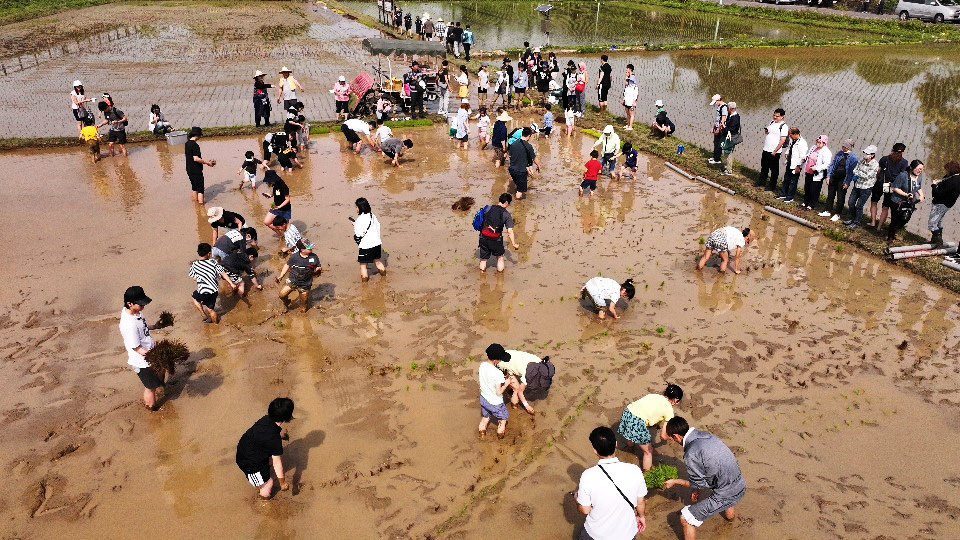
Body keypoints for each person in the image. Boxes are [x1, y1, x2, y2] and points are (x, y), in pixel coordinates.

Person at [663, 417, 746, 540]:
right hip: (740, 484)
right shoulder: (706, 435)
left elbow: (697, 484)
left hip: (726, 493)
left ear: (676, 436)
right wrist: (697, 489)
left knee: (685, 518)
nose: (673, 441)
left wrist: (675, 481)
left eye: (671, 438)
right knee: (723, 487)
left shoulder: (691, 453)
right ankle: (730, 520)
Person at [576, 426, 647, 539]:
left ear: (595, 450)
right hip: (627, 534)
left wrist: (577, 498)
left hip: (597, 534)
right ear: (616, 444)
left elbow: (585, 510)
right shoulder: (634, 470)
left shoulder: (588, 475)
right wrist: (641, 516)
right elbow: (640, 501)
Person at [236, 397, 294, 499]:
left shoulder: (265, 419)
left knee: (266, 463)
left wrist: (281, 435)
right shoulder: (274, 439)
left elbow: (268, 431)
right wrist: (282, 483)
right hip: (249, 464)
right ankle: (264, 498)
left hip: (244, 449)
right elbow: (277, 463)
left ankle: (261, 481)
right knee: (268, 483)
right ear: (287, 417)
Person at [618, 384, 684, 471]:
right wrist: (670, 438)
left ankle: (630, 445)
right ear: (676, 400)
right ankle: (648, 473)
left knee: (634, 429)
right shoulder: (669, 411)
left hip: (627, 412)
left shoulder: (654, 395)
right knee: (648, 452)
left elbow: (648, 409)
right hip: (637, 422)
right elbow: (663, 436)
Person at [119, 286, 164, 411]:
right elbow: (136, 348)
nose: (143, 306)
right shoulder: (129, 324)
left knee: (160, 373)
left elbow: (143, 327)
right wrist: (154, 355)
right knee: (150, 387)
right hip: (142, 361)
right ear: (130, 303)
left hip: (150, 353)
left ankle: (159, 386)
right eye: (140, 304)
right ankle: (151, 408)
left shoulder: (136, 313)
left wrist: (155, 326)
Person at [189, 243, 235, 324]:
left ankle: (203, 314)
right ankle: (216, 324)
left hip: (202, 291)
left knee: (194, 297)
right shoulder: (213, 262)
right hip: (213, 291)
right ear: (209, 254)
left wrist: (201, 278)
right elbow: (223, 273)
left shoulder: (194, 265)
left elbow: (193, 277)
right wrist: (231, 283)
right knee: (211, 309)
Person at [478, 344, 513, 439]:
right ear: (496, 360)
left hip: (484, 398)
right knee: (503, 418)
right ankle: (500, 433)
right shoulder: (497, 373)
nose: (501, 361)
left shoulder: (482, 365)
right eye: (500, 359)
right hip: (495, 402)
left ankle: (482, 432)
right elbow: (499, 392)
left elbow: (487, 379)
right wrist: (506, 383)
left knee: (486, 417)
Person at [478, 193, 520, 273]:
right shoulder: (506, 214)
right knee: (500, 257)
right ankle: (500, 279)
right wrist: (514, 244)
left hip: (483, 237)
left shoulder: (488, 208)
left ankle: (482, 276)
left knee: (483, 259)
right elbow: (510, 231)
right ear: (507, 202)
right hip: (496, 239)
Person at [275, 241, 321, 312]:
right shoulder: (294, 257)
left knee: (304, 304)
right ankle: (287, 302)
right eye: (309, 248)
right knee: (282, 295)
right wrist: (281, 276)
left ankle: (303, 313)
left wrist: (318, 270)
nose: (311, 248)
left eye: (311, 246)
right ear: (302, 250)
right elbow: (287, 265)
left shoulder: (314, 257)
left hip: (305, 283)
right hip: (293, 280)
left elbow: (318, 267)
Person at [872, 143, 909, 230]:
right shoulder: (904, 163)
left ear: (892, 150)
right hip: (891, 186)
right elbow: (902, 176)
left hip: (881, 183)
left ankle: (873, 222)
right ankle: (879, 227)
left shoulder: (885, 159)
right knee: (885, 206)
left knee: (874, 202)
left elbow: (879, 171)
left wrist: (878, 179)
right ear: (902, 152)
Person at [887, 159, 926, 244]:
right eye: (919, 169)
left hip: (910, 202)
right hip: (897, 201)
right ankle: (890, 237)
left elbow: (918, 187)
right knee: (895, 220)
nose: (920, 171)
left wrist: (921, 195)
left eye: (922, 169)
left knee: (906, 218)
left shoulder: (919, 177)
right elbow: (895, 188)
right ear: (912, 167)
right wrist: (906, 194)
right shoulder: (903, 175)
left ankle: (895, 230)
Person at [496, 349, 545, 414]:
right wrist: (527, 406)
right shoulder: (528, 374)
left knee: (513, 383)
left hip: (507, 354)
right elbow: (520, 391)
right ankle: (514, 408)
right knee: (516, 389)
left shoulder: (539, 361)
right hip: (501, 363)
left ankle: (508, 386)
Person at [351, 197, 387, 282]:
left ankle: (364, 286)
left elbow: (359, 234)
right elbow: (378, 226)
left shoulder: (360, 219)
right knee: (378, 261)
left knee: (363, 266)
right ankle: (384, 278)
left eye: (356, 207)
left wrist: (355, 225)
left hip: (366, 246)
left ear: (360, 207)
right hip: (377, 244)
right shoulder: (372, 215)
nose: (356, 209)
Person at [844, 145, 880, 229]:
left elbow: (867, 176)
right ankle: (853, 218)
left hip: (866, 188)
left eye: (867, 153)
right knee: (850, 202)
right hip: (857, 185)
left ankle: (857, 222)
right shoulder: (861, 161)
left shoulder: (875, 164)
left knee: (859, 206)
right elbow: (854, 170)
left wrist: (859, 173)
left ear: (872, 155)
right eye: (865, 153)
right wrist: (860, 173)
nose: (865, 155)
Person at [821, 139, 858, 222]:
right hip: (834, 177)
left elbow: (851, 172)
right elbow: (833, 164)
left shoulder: (853, 158)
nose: (843, 148)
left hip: (843, 179)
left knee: (840, 197)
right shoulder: (839, 153)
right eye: (842, 146)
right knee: (830, 194)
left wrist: (847, 182)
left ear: (848, 147)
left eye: (844, 147)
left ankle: (837, 214)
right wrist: (829, 176)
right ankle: (827, 210)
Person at [929, 161, 960, 246]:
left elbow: (937, 194)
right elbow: (946, 182)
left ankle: (939, 241)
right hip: (948, 204)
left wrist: (934, 185)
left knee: (932, 224)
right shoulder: (956, 177)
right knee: (938, 222)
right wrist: (940, 181)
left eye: (947, 170)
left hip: (941, 203)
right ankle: (934, 241)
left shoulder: (952, 181)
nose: (946, 172)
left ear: (951, 170)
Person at [757, 108, 789, 191]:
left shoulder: (784, 126)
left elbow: (782, 140)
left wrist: (775, 150)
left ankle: (772, 186)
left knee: (774, 169)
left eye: (777, 116)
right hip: (766, 148)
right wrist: (766, 131)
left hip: (775, 151)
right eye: (774, 115)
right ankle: (761, 182)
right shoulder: (772, 122)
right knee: (764, 166)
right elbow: (768, 132)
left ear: (782, 117)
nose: (775, 117)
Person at [800, 135, 833, 212]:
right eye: (817, 141)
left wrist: (817, 168)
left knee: (814, 189)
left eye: (819, 142)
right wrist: (805, 157)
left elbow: (826, 164)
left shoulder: (826, 152)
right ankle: (805, 202)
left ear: (824, 143)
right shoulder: (814, 147)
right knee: (807, 188)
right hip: (809, 171)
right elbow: (809, 154)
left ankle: (811, 205)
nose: (817, 143)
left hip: (817, 174)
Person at [507, 127, 541, 200]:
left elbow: (510, 155)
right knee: (520, 191)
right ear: (529, 136)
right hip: (520, 171)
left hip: (512, 170)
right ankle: (518, 207)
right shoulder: (528, 146)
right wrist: (539, 166)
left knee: (518, 185)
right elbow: (534, 158)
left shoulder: (513, 144)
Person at [184, 126, 215, 205]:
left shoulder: (187, 143)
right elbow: (196, 158)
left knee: (194, 188)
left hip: (189, 169)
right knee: (200, 189)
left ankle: (196, 205)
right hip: (196, 170)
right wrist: (207, 162)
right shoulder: (195, 145)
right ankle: (201, 207)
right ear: (197, 135)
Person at [777, 127, 808, 204]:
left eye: (790, 135)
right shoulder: (793, 140)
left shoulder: (802, 143)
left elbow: (803, 157)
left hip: (796, 165)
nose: (789, 136)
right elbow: (790, 148)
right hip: (790, 162)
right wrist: (787, 153)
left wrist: (798, 166)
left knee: (793, 182)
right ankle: (783, 194)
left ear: (795, 134)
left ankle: (790, 197)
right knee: (786, 179)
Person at [720, 102, 741, 176]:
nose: (727, 110)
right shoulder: (732, 115)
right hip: (727, 136)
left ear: (731, 109)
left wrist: (724, 126)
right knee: (726, 152)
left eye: (728, 108)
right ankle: (725, 167)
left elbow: (731, 129)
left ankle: (728, 170)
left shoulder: (735, 118)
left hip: (730, 137)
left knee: (728, 153)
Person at [708, 94, 728, 165]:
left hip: (721, 128)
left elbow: (723, 119)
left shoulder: (724, 107)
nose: (715, 104)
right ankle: (714, 157)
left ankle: (717, 159)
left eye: (715, 102)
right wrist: (714, 127)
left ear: (719, 100)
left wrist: (719, 129)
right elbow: (717, 119)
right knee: (715, 142)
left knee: (719, 143)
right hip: (717, 126)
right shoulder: (719, 106)